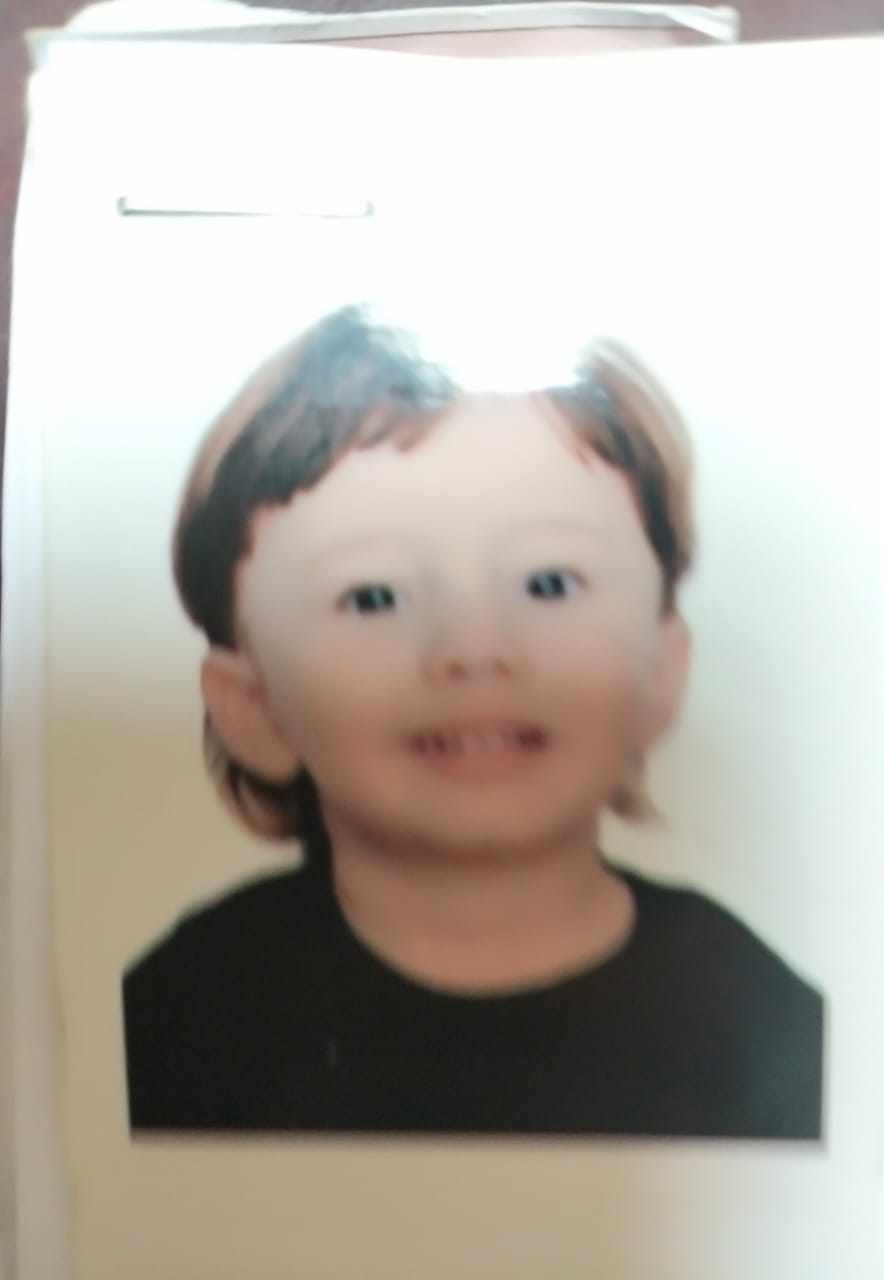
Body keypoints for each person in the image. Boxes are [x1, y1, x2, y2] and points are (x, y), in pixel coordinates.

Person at [123, 302, 824, 1137]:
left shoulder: (758, 1015)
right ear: (254, 708)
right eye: (373, 595)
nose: (473, 648)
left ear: (659, 671)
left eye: (548, 583)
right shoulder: (187, 1013)